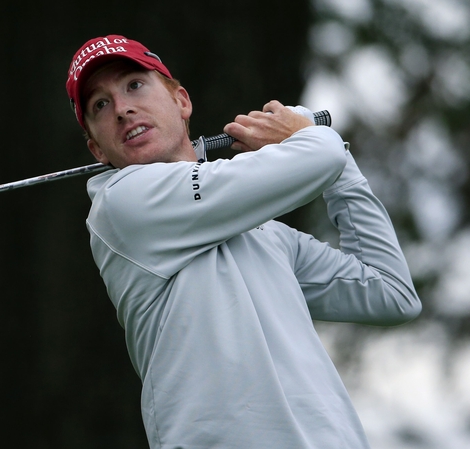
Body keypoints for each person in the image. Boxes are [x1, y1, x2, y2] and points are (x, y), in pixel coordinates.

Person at [65, 34, 421, 449]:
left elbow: (391, 293)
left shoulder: (265, 234)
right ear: (96, 149)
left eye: (134, 85)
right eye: (100, 105)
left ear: (181, 101)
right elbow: (317, 158)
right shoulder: (123, 204)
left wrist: (336, 159)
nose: (123, 109)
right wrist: (310, 136)